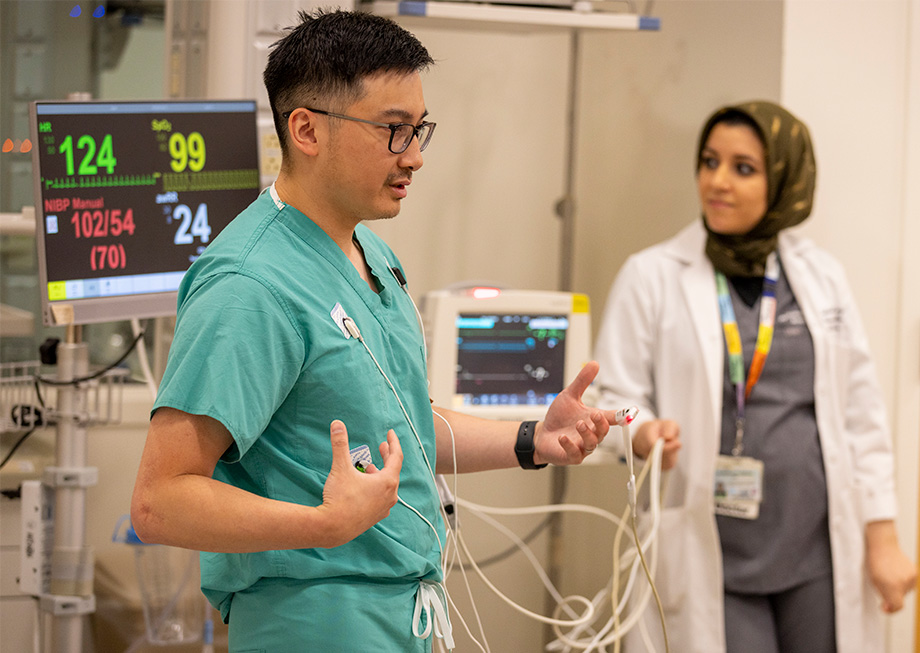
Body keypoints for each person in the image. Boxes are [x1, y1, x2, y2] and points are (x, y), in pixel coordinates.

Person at [131, 9, 618, 652]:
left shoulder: (369, 255)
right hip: (315, 620)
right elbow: (159, 500)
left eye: (420, 130)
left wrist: (533, 440)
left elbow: (400, 423)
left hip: (401, 612)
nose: (414, 157)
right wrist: (323, 523)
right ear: (305, 129)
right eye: (393, 131)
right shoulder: (250, 286)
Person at [594, 100, 916, 653]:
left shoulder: (820, 275)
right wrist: (642, 432)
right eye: (710, 161)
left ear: (785, 179)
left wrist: (882, 535)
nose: (718, 181)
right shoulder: (651, 275)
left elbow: (861, 414)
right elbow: (613, 396)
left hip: (816, 549)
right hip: (714, 550)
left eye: (743, 168)